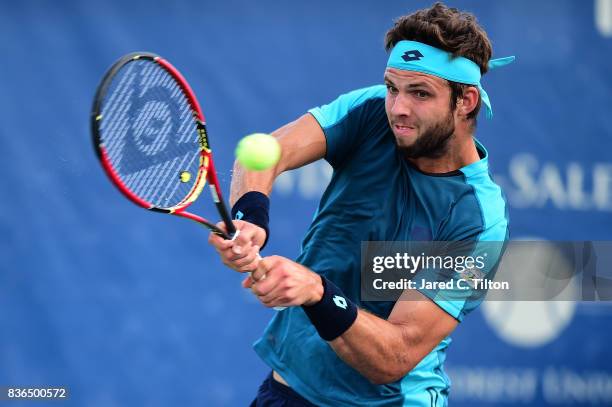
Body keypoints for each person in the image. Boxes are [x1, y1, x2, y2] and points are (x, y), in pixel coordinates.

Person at [208, 2, 513, 406]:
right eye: (392, 87)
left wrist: (317, 291)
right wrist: (250, 216)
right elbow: (268, 151)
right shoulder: (372, 111)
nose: (399, 107)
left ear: (466, 101)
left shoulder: (479, 220)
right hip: (289, 390)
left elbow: (396, 355)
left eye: (420, 93)